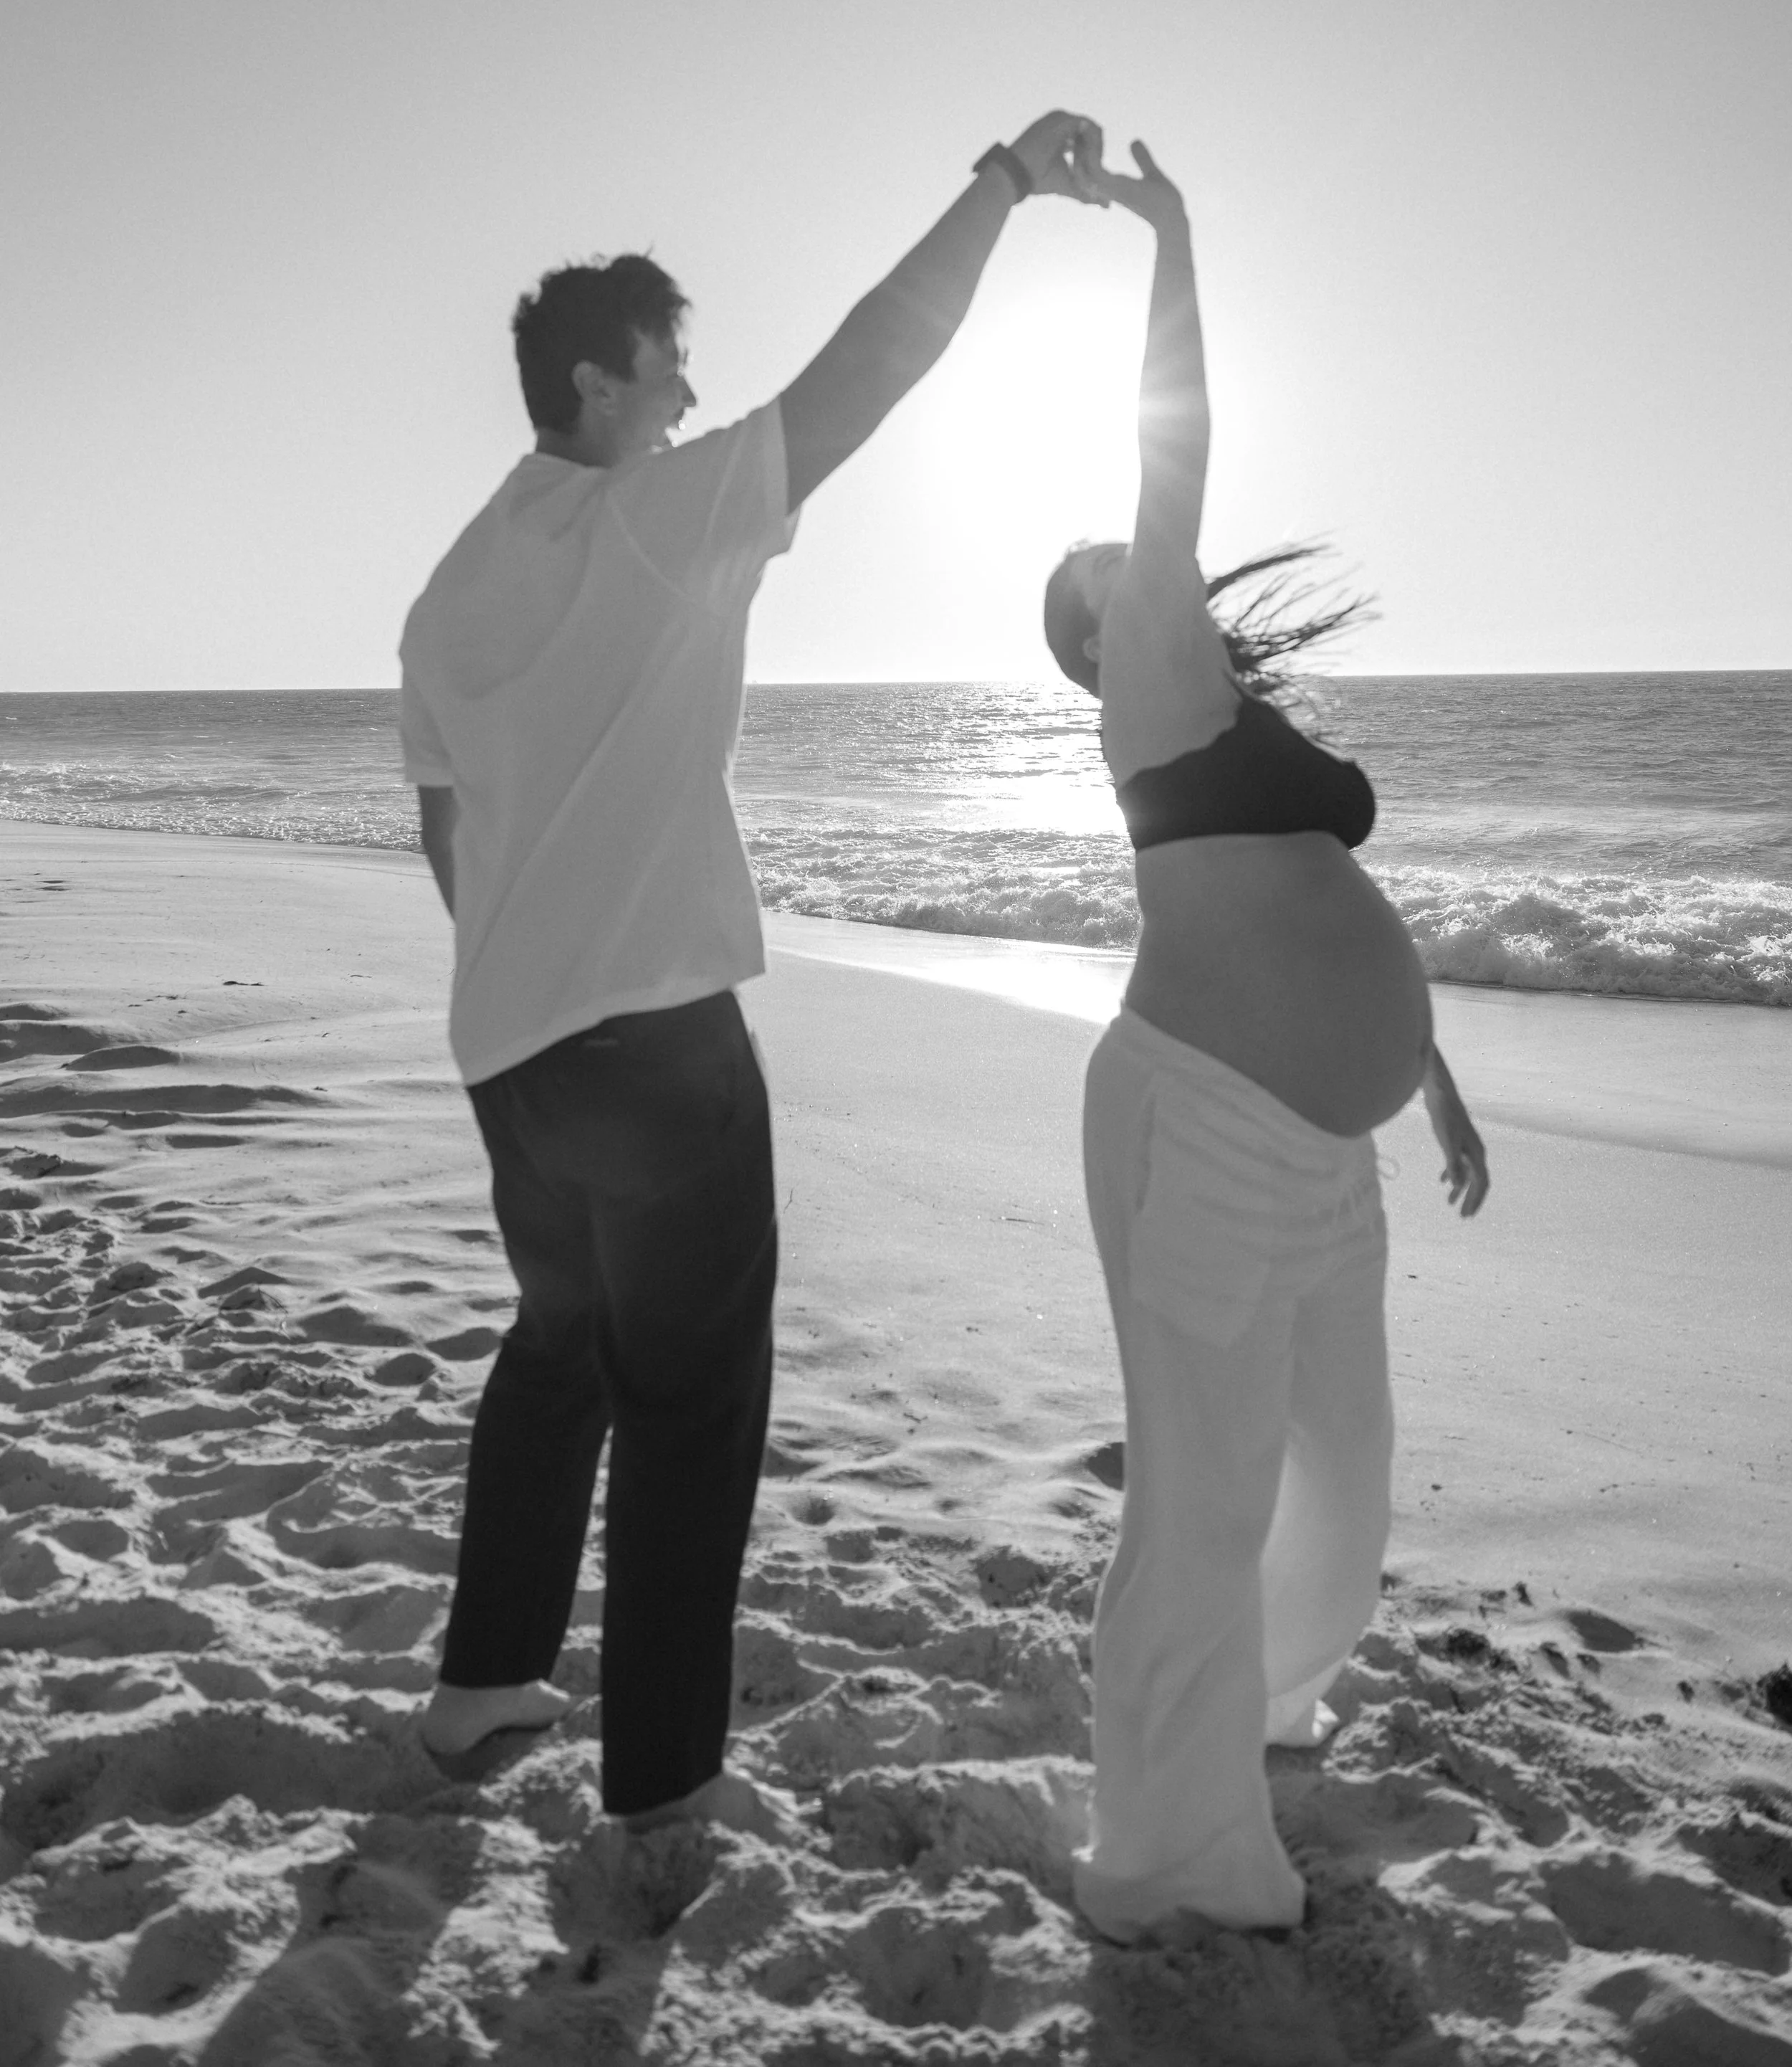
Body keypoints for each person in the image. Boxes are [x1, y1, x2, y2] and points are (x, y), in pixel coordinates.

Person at [398, 113, 1103, 1825]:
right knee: (692, 1404)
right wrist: (999, 185)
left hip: (514, 1049)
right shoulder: (646, 521)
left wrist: (535, 968)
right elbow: (869, 367)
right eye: (665, 377)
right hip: (651, 1045)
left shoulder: (444, 592)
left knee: (558, 1349)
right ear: (591, 387)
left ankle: (484, 1684)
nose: (688, 407)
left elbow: (445, 836)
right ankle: (658, 1779)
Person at [1042, 133, 1489, 1937]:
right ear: (1096, 638)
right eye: (1107, 570)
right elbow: (1177, 448)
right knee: (1204, 1495)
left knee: (1343, 1469)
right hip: (1203, 1126)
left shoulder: (1228, 712)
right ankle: (1160, 1859)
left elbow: (1318, 890)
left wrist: (1428, 1076)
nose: (1136, 563)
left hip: (1322, 1143)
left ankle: (1264, 1718)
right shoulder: (1147, 682)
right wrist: (1171, 239)